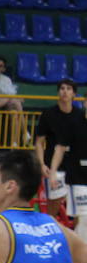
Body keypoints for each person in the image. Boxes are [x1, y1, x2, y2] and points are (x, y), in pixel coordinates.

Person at [34, 78, 87, 229]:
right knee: (53, 206)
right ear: (58, 92)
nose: (65, 91)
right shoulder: (48, 114)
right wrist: (42, 164)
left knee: (80, 211)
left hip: (76, 168)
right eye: (62, 88)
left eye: (68, 89)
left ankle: (77, 241)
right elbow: (38, 142)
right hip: (54, 166)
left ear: (74, 94)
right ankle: (47, 235)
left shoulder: (80, 116)